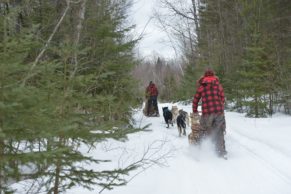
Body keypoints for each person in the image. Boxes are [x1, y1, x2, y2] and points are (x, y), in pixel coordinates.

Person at [192, 68, 227, 159]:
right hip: (219, 113)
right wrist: (220, 105)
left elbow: (195, 100)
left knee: (204, 131)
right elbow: (223, 98)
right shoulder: (218, 85)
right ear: (213, 75)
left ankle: (200, 151)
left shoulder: (202, 86)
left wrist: (195, 110)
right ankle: (221, 152)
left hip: (207, 114)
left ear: (204, 76)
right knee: (219, 131)